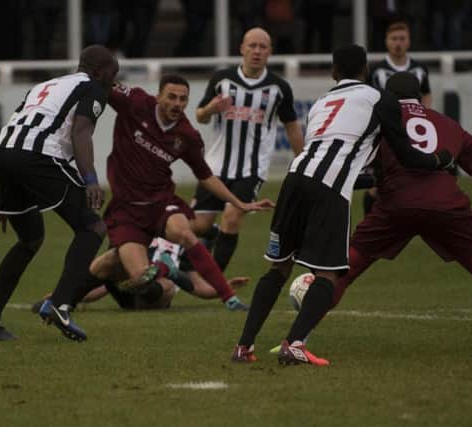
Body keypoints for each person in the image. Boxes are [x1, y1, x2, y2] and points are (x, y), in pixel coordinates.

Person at [231, 45, 454, 366]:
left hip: (295, 179)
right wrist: (438, 160)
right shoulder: (380, 98)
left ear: (333, 72)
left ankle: (243, 347)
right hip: (330, 187)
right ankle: (293, 344)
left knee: (278, 267)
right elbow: (405, 154)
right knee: (329, 275)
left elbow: (327, 150)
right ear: (365, 70)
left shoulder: (321, 102)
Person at [330, 72, 472, 354]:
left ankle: (297, 340)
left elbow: (352, 168)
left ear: (387, 97)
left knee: (343, 271)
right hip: (447, 205)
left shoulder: (381, 120)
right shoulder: (447, 124)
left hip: (396, 206)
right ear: (420, 96)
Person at [60, 74, 274, 322]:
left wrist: (238, 202)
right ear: (158, 96)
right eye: (171, 97)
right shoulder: (136, 103)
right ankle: (64, 299)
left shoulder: (188, 136)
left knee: (184, 232)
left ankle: (230, 298)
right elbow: (103, 84)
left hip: (160, 201)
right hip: (126, 211)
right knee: (139, 277)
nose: (177, 103)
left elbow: (205, 176)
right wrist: (86, 76)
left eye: (183, 99)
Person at [0, 45, 119, 342]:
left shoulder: (46, 84)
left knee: (30, 240)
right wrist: (90, 179)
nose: (113, 81)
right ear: (97, 71)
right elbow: (81, 131)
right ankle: (61, 303)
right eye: (112, 74)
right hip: (38, 156)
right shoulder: (93, 87)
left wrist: (0, 201)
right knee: (92, 226)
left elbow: (17, 129)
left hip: (1, 153)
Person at [192, 27, 304, 272]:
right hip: (215, 167)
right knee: (198, 226)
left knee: (231, 219)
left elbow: (292, 128)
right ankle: (210, 234)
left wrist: (304, 164)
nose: (257, 51)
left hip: (251, 169)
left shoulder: (279, 88)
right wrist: (211, 108)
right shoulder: (222, 80)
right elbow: (200, 116)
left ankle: (214, 282)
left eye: (263, 47)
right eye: (252, 46)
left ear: (270, 52)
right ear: (242, 48)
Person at [31, 238, 250, 311]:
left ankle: (156, 277)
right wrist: (62, 296)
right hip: (128, 290)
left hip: (155, 298)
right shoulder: (138, 238)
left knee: (167, 285)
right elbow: (99, 286)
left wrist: (225, 288)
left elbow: (197, 286)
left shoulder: (184, 245)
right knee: (112, 259)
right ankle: (58, 302)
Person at [365, 20, 433, 215]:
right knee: (378, 185)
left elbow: (426, 93)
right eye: (394, 39)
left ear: (409, 41)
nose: (398, 43)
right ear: (386, 41)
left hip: (413, 133)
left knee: (415, 180)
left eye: (402, 38)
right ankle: (369, 223)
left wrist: (426, 116)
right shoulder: (376, 70)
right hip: (386, 134)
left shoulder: (420, 69)